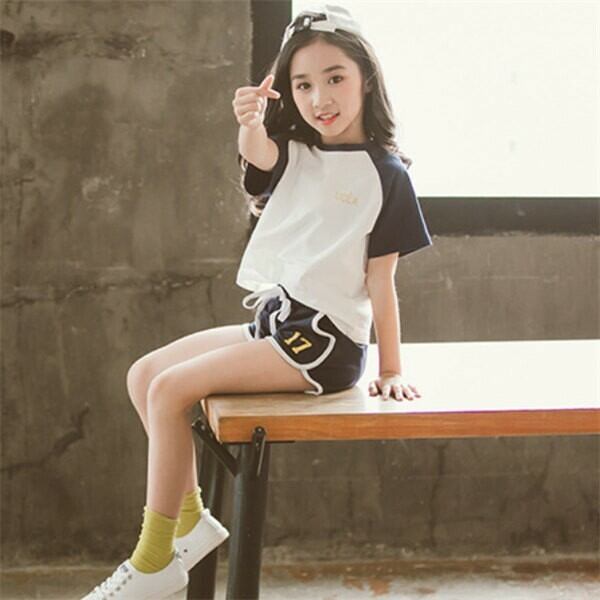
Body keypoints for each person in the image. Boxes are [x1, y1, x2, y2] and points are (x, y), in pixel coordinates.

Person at [82, 4, 433, 599]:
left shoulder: (386, 174)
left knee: (170, 391)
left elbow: (382, 281)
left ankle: (153, 558)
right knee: (145, 375)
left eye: (335, 78)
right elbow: (261, 152)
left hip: (323, 346)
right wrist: (249, 121)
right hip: (278, 325)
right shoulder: (296, 152)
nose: (320, 97)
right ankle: (191, 523)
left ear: (366, 79)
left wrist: (392, 368)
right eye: (303, 84)